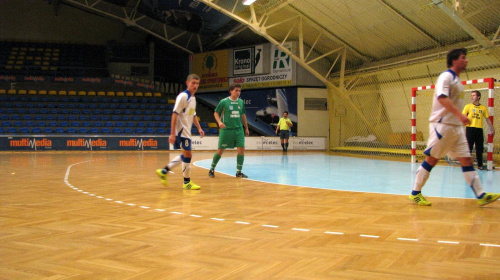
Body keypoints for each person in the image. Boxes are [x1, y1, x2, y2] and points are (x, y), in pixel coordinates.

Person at [409, 48, 499, 206]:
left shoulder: (458, 81)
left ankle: (481, 195)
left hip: (456, 129)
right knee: (431, 160)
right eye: (463, 58)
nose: (467, 61)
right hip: (442, 126)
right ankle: (415, 193)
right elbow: (442, 98)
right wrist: (460, 115)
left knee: (467, 160)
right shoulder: (446, 77)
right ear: (454, 60)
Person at [156, 74, 205, 190]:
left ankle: (164, 171)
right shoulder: (183, 96)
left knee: (186, 155)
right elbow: (174, 114)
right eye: (193, 83)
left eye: (197, 83)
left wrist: (199, 128)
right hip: (181, 132)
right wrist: (172, 133)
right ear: (187, 83)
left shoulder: (193, 98)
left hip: (186, 132)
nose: (195, 85)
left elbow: (193, 115)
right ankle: (186, 183)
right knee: (188, 155)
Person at [208, 84, 250, 178]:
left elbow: (243, 115)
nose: (238, 92)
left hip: (238, 130)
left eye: (239, 91)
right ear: (231, 91)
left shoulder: (241, 102)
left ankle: (239, 172)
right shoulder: (224, 102)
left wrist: (246, 127)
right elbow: (216, 112)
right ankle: (211, 169)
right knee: (220, 151)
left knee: (241, 149)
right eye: (236, 90)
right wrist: (219, 122)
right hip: (226, 130)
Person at [462, 90, 495, 170]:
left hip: (479, 130)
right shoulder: (468, 106)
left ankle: (480, 165)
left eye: (473, 95)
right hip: (470, 129)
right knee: (469, 147)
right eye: (471, 95)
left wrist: (492, 128)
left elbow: (487, 119)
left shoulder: (483, 108)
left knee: (479, 148)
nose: (472, 97)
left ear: (478, 97)